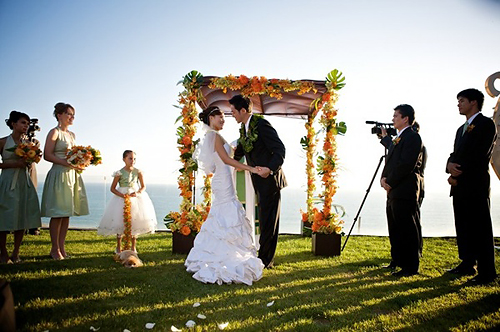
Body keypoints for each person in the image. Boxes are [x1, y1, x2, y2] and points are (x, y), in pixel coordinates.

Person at [185, 106, 264, 285]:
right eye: (219, 116)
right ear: (211, 118)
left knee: (224, 213)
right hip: (224, 180)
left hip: (224, 179)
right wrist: (251, 168)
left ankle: (224, 249)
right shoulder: (213, 136)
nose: (222, 120)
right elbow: (227, 160)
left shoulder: (214, 137)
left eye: (224, 117)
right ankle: (222, 255)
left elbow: (221, 160)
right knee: (226, 212)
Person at [446, 88, 497, 284]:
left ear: (473, 102)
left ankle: (487, 272)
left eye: (462, 101)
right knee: (463, 226)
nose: (458, 104)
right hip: (459, 186)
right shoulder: (461, 129)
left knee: (481, 229)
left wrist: (459, 175)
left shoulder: (486, 124)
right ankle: (467, 263)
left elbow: (479, 155)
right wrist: (449, 166)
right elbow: (455, 154)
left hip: (475, 185)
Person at [230, 95, 287, 269]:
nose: (232, 114)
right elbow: (241, 149)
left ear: (243, 110)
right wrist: (229, 160)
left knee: (269, 221)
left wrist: (269, 169)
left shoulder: (261, 125)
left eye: (233, 111)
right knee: (264, 219)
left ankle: (265, 260)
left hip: (270, 179)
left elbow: (280, 149)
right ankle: (263, 256)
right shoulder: (244, 128)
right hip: (258, 181)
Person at [41, 103, 89, 260]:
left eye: (73, 115)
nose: (72, 117)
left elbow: (74, 155)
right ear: (59, 115)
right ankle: (54, 249)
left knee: (66, 213)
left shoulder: (72, 135)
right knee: (58, 212)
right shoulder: (54, 132)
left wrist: (80, 163)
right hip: (59, 174)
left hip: (71, 175)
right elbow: (47, 155)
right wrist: (67, 163)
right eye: (69, 114)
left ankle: (62, 248)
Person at [380, 104, 423, 277]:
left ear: (405, 118)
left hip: (404, 190)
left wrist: (389, 182)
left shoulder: (413, 137)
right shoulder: (399, 138)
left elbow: (406, 164)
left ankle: (410, 266)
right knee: (395, 227)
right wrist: (383, 179)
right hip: (393, 190)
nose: (392, 119)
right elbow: (390, 160)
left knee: (407, 229)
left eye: (396, 116)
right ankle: (396, 260)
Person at [0, 111, 41, 263]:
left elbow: (34, 159)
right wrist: (13, 164)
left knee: (22, 215)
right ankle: (3, 252)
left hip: (24, 180)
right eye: (23, 122)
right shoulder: (3, 142)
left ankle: (16, 253)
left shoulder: (30, 144)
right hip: (7, 181)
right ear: (13, 124)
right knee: (4, 215)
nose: (26, 126)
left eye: (28, 123)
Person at [97, 150, 156, 253]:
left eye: (134, 158)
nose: (132, 160)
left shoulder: (138, 172)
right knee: (120, 220)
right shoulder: (119, 173)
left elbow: (143, 186)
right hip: (122, 198)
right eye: (130, 158)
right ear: (124, 159)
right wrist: (122, 195)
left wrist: (137, 193)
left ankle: (133, 246)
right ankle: (118, 246)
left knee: (134, 221)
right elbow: (113, 188)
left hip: (134, 198)